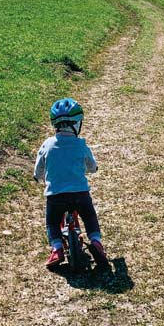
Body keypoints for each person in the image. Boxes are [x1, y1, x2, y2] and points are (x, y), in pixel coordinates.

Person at [33, 97, 108, 269]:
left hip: (56, 195)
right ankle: (96, 242)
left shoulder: (48, 144)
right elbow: (92, 165)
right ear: (76, 124)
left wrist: (37, 176)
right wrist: (93, 169)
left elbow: (39, 167)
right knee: (89, 216)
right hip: (80, 193)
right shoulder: (81, 145)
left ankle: (57, 248)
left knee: (52, 222)